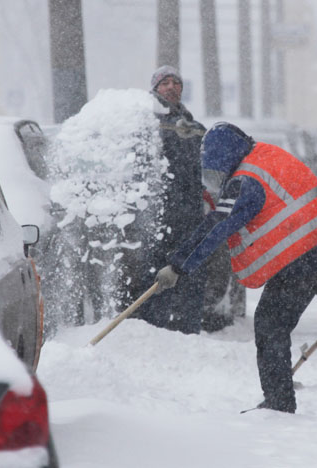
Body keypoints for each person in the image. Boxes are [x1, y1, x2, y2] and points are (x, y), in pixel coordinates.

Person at [154, 122, 317, 413]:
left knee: (271, 326)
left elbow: (217, 225)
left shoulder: (246, 179)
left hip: (298, 259)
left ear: (224, 156)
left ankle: (278, 401)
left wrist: (179, 265)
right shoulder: (270, 156)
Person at [130, 65, 207, 334]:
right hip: (157, 218)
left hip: (192, 218)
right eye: (165, 83)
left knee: (192, 278)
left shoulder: (195, 128)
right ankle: (156, 332)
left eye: (176, 82)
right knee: (156, 279)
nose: (171, 87)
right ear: (154, 89)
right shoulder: (145, 124)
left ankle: (189, 332)